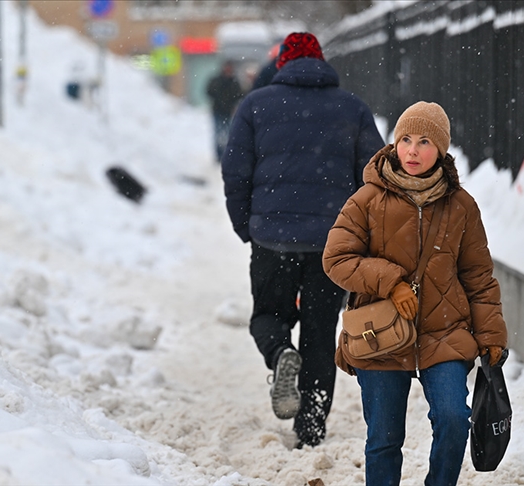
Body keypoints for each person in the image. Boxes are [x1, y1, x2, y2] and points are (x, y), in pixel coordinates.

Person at [322, 101, 508, 485]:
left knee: (455, 421)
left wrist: (491, 335)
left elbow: (478, 276)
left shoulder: (462, 206)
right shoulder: (367, 200)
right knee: (384, 440)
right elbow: (336, 259)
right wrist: (389, 281)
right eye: (405, 139)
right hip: (381, 332)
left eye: (424, 141)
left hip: (445, 330)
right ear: (394, 143)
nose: (412, 150)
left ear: (440, 150)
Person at [220, 32, 384, 448]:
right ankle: (311, 427)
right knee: (319, 331)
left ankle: (278, 354)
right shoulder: (353, 108)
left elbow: (235, 173)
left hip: (272, 239)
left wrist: (247, 226)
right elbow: (376, 180)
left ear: (282, 64)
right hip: (332, 244)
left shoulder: (255, 107)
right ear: (322, 61)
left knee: (268, 316)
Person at [206, 60, 244, 162]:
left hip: (229, 112)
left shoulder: (234, 82)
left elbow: (239, 95)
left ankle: (226, 154)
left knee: (227, 134)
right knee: (218, 133)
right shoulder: (217, 81)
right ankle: (219, 154)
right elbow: (209, 91)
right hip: (218, 111)